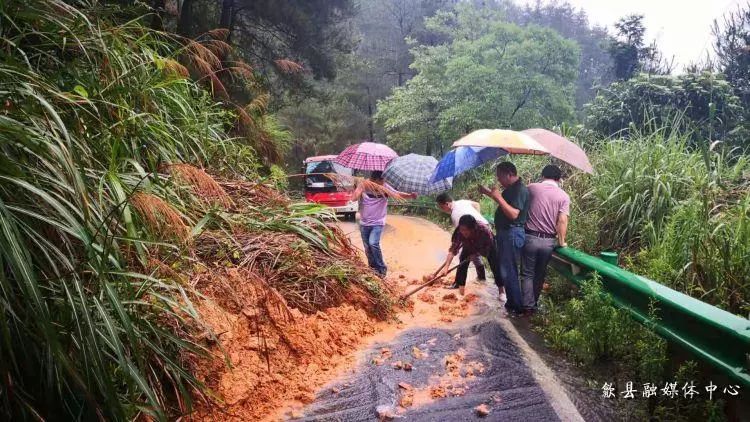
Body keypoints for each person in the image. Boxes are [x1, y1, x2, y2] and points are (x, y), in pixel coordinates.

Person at [479, 162, 529, 315]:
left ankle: (517, 307)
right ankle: (512, 303)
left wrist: (498, 197)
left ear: (509, 174)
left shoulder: (519, 189)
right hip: (506, 233)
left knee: (509, 271)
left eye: (500, 176)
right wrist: (489, 193)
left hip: (512, 233)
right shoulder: (511, 189)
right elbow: (506, 205)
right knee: (506, 269)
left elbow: (514, 214)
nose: (499, 180)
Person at [521, 165, 570, 313]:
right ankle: (533, 303)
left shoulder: (531, 188)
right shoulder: (563, 196)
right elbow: (562, 221)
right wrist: (561, 242)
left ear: (542, 176)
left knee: (527, 273)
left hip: (530, 237)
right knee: (539, 274)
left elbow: (520, 207)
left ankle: (527, 306)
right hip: (548, 241)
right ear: (559, 179)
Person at [351, 171, 416, 277]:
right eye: (382, 180)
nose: (384, 182)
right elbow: (353, 198)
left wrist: (410, 195)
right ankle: (372, 269)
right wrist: (358, 188)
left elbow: (397, 194)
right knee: (367, 247)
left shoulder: (385, 187)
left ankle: (382, 268)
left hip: (378, 222)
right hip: (364, 223)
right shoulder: (363, 185)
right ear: (376, 180)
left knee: (373, 243)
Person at [437, 214, 499, 296]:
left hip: (487, 244)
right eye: (461, 229)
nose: (463, 232)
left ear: (473, 228)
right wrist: (446, 267)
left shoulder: (484, 230)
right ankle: (460, 289)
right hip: (468, 243)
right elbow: (453, 250)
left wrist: (475, 254)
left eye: (466, 230)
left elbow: (488, 246)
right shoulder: (459, 232)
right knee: (462, 260)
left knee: (495, 264)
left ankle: (501, 290)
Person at [435, 193, 489, 281]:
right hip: (484, 225)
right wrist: (477, 217)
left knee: (465, 255)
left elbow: (458, 240)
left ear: (447, 204)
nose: (442, 209)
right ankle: (481, 278)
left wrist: (446, 267)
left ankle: (459, 282)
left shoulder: (455, 215)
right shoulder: (462, 202)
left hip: (480, 232)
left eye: (441, 207)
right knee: (472, 254)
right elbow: (477, 204)